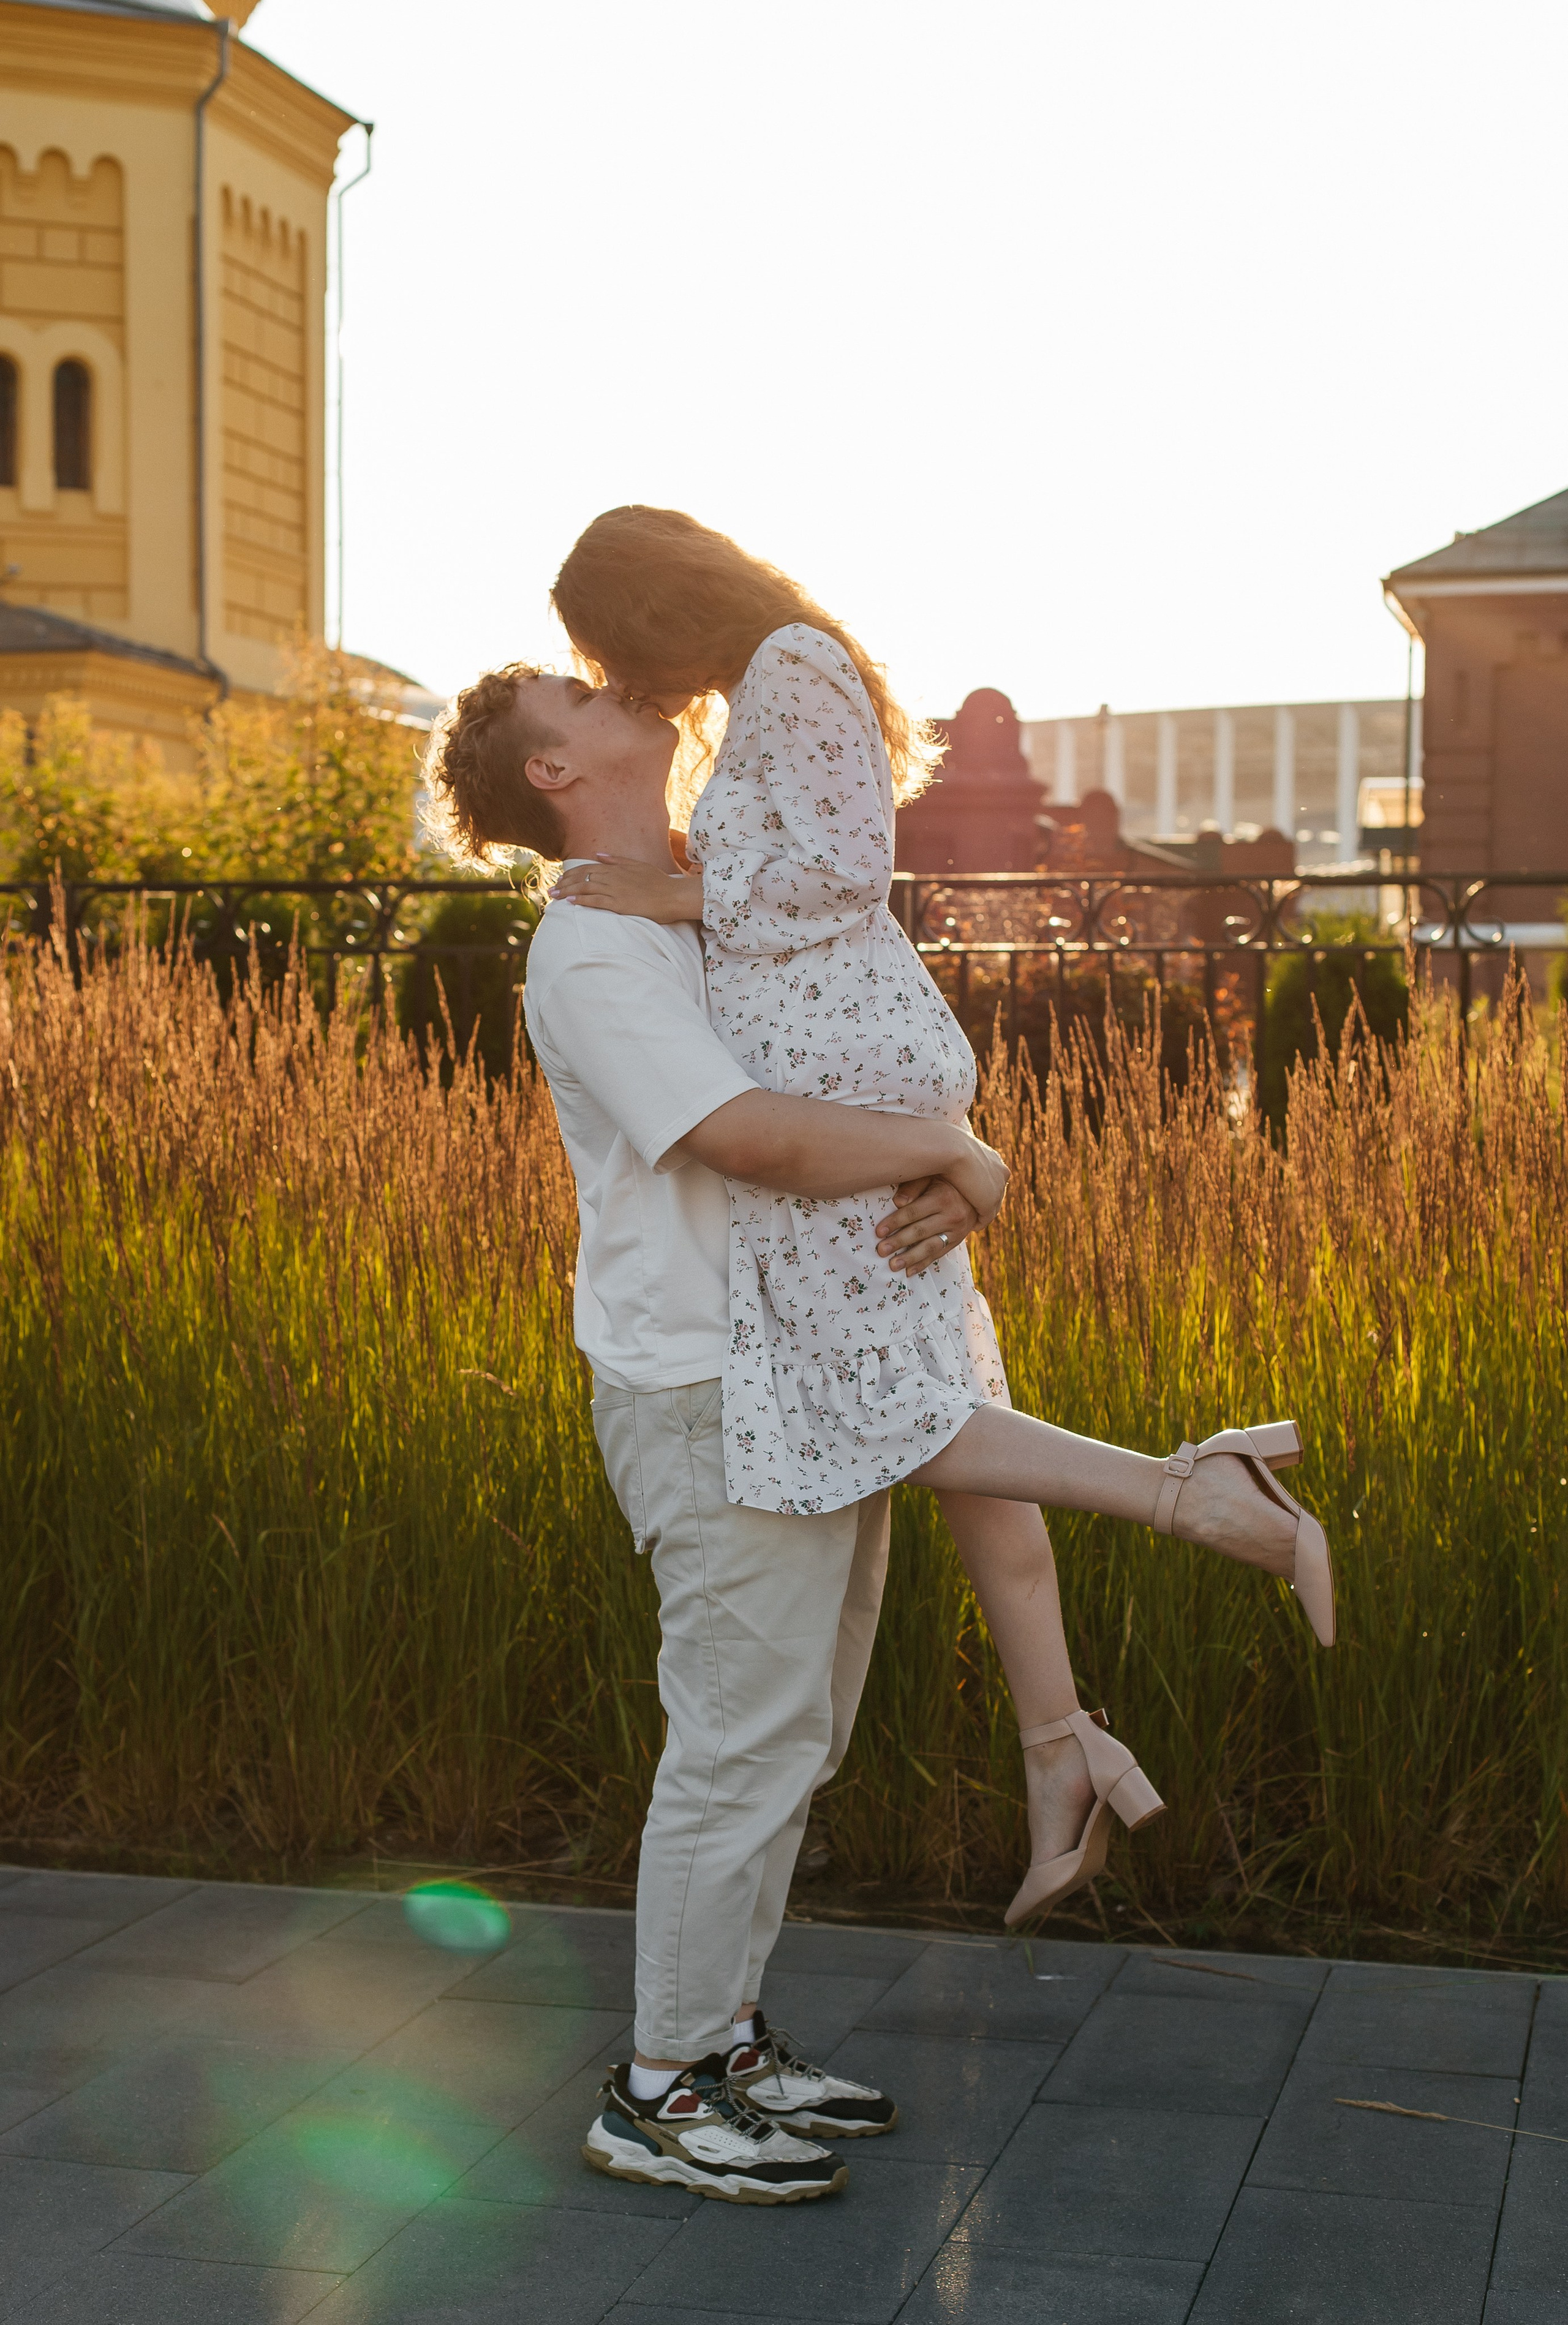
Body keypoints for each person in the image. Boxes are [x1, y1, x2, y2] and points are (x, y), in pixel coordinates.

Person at [548, 505, 1335, 1935]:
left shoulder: (789, 662)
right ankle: (1060, 1750)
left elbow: (843, 870)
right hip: (856, 1073)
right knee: (955, 1421)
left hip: (842, 1089)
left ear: (655, 607)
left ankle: (1202, 1489)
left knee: (893, 1406)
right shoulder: (768, 682)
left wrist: (677, 890)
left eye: (612, 650)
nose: (626, 683)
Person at [426, 667, 1006, 2205]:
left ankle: (728, 2036)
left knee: (796, 1732)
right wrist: (963, 1153)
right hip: (702, 1383)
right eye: (578, 688)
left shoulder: (685, 899)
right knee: (737, 1742)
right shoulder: (591, 948)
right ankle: (660, 2084)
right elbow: (741, 1131)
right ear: (553, 767)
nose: (619, 681)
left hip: (800, 1361)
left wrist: (962, 1147)